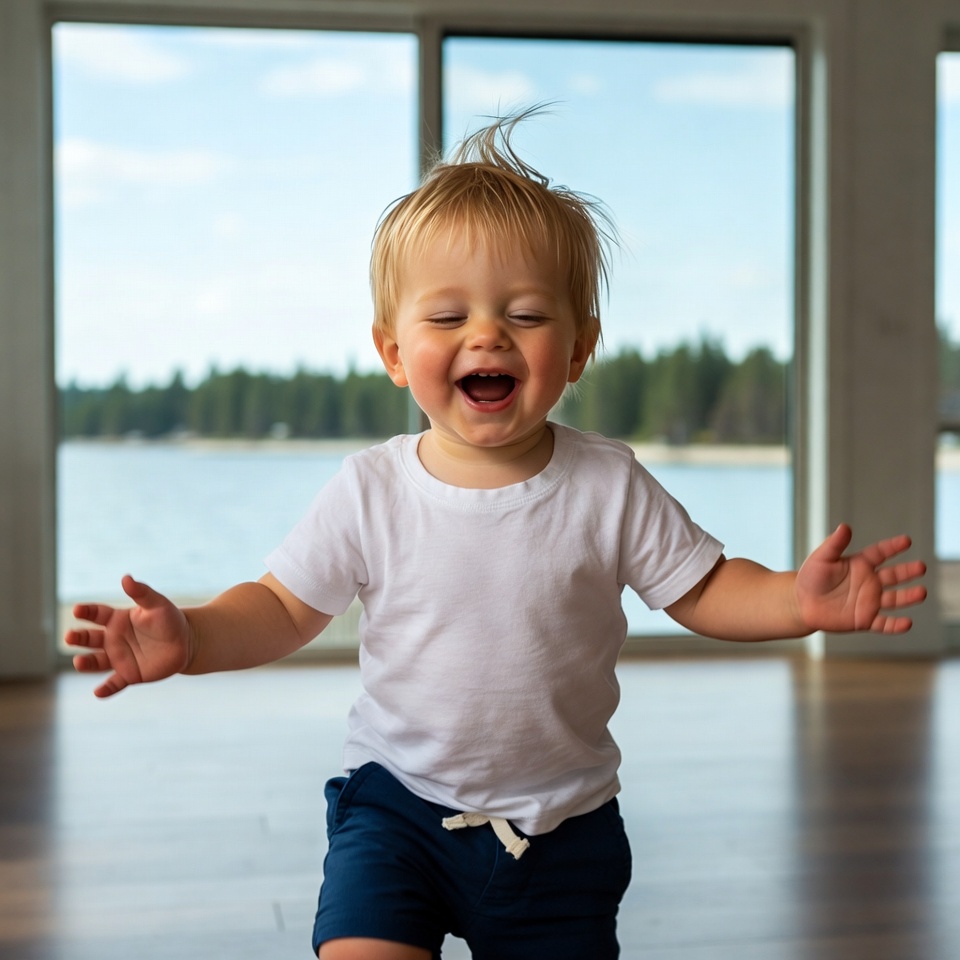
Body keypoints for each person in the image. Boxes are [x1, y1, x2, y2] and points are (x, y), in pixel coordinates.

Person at [66, 110, 927, 960]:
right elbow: (283, 608)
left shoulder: (608, 484)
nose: (487, 334)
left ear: (579, 348)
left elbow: (703, 588)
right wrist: (194, 637)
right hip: (397, 808)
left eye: (526, 315)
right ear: (393, 352)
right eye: (447, 318)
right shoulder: (371, 489)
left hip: (562, 832)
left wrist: (794, 600)